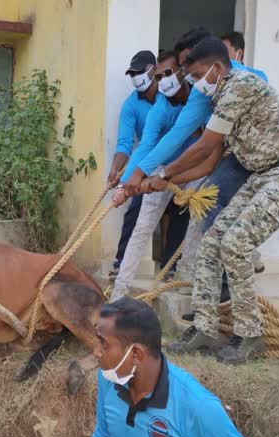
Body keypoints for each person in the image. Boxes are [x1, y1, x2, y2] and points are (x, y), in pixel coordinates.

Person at [146, 37, 279, 364]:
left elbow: (203, 146)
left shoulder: (239, 86)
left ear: (217, 68)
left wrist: (162, 171)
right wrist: (165, 181)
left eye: (199, 74)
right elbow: (209, 162)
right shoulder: (222, 101)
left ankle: (250, 336)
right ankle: (203, 327)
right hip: (261, 175)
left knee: (235, 244)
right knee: (212, 239)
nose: (196, 83)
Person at [118, 28, 267, 308]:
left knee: (221, 223)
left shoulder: (243, 81)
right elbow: (179, 141)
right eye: (187, 70)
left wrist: (160, 175)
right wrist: (135, 177)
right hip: (214, 161)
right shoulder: (196, 95)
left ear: (211, 60)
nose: (188, 75)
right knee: (203, 215)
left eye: (192, 69)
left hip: (259, 162)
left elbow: (204, 146)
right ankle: (202, 297)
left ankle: (218, 286)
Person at [70, 298, 272, 437]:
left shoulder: (198, 407)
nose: (96, 352)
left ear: (136, 355)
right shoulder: (110, 378)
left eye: (104, 344)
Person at [108, 50, 197, 302]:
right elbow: (143, 145)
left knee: (195, 224)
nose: (163, 79)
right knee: (141, 226)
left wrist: (136, 177)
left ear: (182, 71)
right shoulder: (155, 108)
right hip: (158, 169)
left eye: (167, 73)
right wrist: (127, 182)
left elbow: (181, 138)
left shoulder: (199, 97)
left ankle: (184, 278)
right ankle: (119, 292)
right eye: (160, 75)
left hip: (194, 168)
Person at [107, 50, 159, 281]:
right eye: (132, 74)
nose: (136, 77)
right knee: (135, 208)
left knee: (179, 213)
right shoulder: (131, 105)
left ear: (153, 70)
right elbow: (126, 143)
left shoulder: (169, 97)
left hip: (175, 160)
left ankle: (173, 266)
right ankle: (121, 263)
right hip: (146, 164)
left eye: (139, 72)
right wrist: (115, 169)